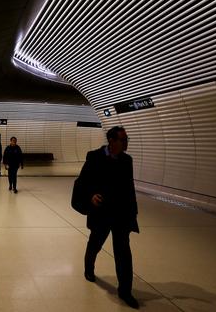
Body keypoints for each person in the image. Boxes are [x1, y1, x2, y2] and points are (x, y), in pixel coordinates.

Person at [77, 126, 139, 309]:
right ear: (111, 141)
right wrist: (90, 195)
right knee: (95, 244)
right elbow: (83, 182)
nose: (126, 142)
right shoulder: (94, 157)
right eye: (123, 139)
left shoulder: (127, 160)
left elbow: (130, 188)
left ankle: (125, 291)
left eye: (127, 139)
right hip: (101, 212)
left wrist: (133, 213)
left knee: (123, 254)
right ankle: (89, 268)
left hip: (121, 214)